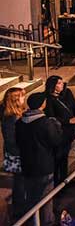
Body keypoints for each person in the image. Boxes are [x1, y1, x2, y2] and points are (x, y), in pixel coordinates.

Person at [16, 92, 62, 225]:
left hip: (27, 165)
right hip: (44, 166)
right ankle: (47, 221)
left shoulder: (20, 123)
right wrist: (57, 126)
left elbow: (18, 141)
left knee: (31, 196)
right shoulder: (45, 123)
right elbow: (56, 140)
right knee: (46, 197)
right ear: (42, 105)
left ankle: (33, 221)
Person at [44, 75, 75, 184]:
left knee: (64, 157)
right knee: (58, 158)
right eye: (59, 83)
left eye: (62, 82)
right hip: (59, 134)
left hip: (69, 133)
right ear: (53, 86)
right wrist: (67, 121)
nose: (62, 84)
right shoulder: (49, 99)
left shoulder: (67, 93)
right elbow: (51, 117)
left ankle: (64, 181)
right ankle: (58, 184)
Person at [2, 87, 26, 220]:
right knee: (19, 183)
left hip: (17, 154)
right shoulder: (11, 118)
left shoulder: (16, 115)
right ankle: (20, 211)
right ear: (16, 99)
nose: (24, 99)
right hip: (17, 156)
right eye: (22, 96)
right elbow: (12, 140)